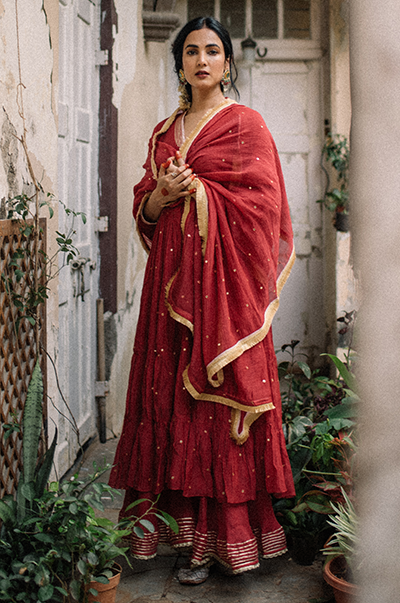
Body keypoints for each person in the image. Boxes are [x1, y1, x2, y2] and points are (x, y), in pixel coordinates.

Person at [109, 16, 296, 584]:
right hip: (169, 291)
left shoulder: (246, 126)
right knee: (167, 401)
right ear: (181, 64)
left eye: (212, 51)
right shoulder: (165, 132)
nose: (202, 60)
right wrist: (163, 195)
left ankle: (216, 543)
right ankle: (170, 537)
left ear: (228, 63)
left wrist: (206, 195)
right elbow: (144, 211)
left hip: (222, 293)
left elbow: (265, 210)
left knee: (215, 401)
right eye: (191, 51)